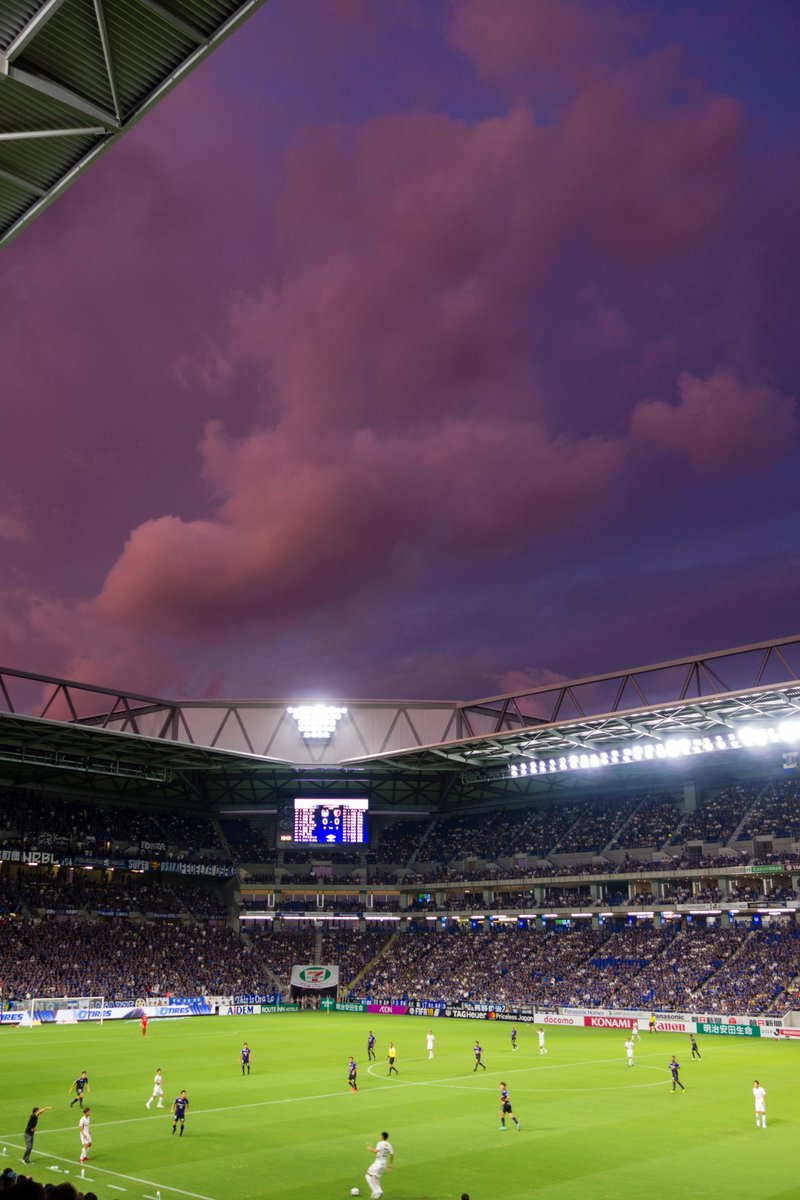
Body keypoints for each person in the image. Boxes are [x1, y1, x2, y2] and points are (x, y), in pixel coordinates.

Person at [365, 1131, 394, 1200]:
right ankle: (379, 1191)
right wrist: (390, 1164)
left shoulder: (380, 1143)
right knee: (375, 1178)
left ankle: (375, 1191)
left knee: (368, 1175)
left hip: (378, 1162)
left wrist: (370, 1148)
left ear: (382, 1136)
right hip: (384, 1163)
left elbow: (376, 1151)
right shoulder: (389, 1144)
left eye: (380, 1136)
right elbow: (392, 1154)